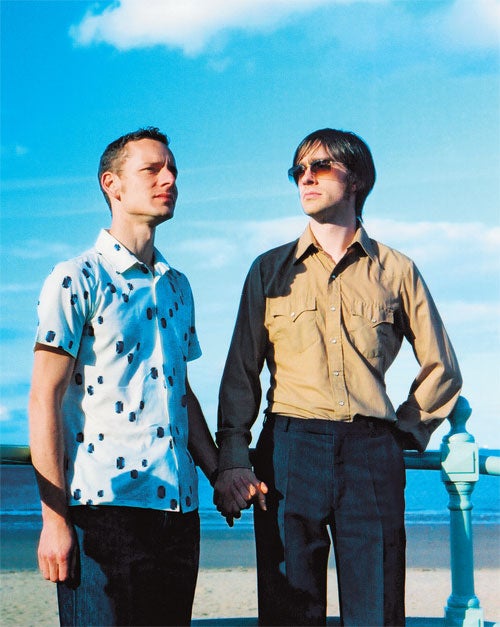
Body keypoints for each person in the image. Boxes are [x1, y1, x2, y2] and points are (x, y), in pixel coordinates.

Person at [214, 128, 462, 626]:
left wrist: (403, 433)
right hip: (287, 452)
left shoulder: (397, 271)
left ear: (358, 180)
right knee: (289, 610)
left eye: (321, 167)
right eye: (298, 170)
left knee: (377, 608)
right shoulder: (268, 270)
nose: (306, 177)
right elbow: (241, 373)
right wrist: (234, 459)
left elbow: (443, 369)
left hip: (371, 453)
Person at [29, 127, 220, 626]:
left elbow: (183, 395)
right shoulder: (76, 277)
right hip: (102, 510)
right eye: (152, 169)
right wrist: (53, 520)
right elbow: (43, 399)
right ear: (112, 184)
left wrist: (220, 471)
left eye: (172, 169)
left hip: (179, 515)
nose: (170, 178)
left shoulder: (179, 287)